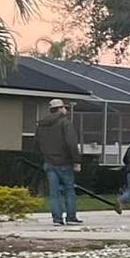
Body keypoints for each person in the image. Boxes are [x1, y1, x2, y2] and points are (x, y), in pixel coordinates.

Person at [34, 97, 83, 226]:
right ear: (60, 109)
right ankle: (71, 217)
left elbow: (37, 144)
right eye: (64, 107)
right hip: (64, 162)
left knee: (54, 193)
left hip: (49, 163)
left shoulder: (41, 125)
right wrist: (76, 161)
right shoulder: (65, 123)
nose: (66, 109)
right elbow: (71, 143)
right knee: (69, 190)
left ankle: (57, 219)